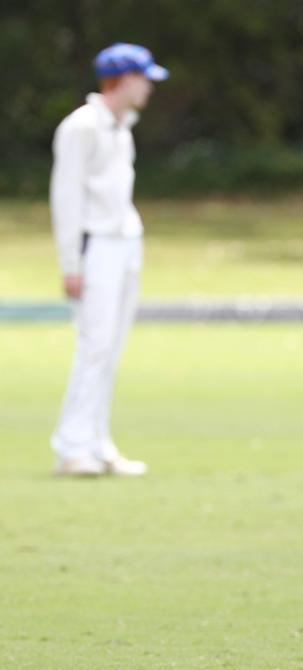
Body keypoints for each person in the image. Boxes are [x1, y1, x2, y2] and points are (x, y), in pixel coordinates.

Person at [49, 44, 169, 477]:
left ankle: (98, 443)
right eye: (144, 78)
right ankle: (71, 447)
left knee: (111, 348)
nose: (149, 87)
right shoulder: (80, 127)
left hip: (124, 243)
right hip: (94, 245)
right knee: (93, 347)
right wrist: (71, 265)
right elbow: (65, 198)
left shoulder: (123, 126)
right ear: (123, 79)